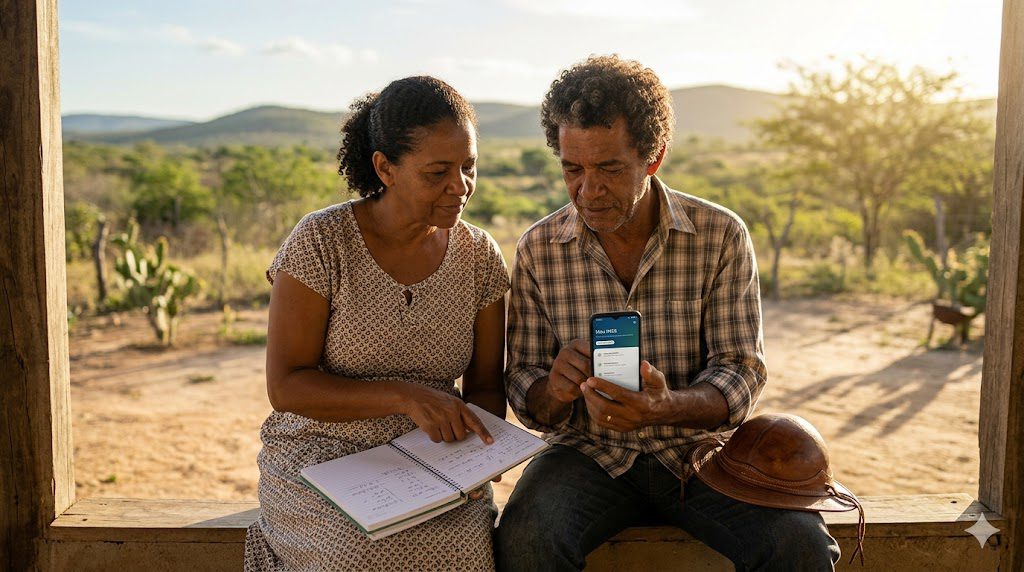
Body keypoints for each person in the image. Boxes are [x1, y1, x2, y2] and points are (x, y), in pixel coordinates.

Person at [496, 56, 841, 571]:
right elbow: (524, 383)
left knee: (800, 544)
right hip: (586, 454)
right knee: (524, 539)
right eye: (573, 169)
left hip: (701, 456)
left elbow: (741, 372)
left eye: (609, 168)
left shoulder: (720, 234)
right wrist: (556, 389)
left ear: (653, 157)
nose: (588, 190)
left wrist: (665, 406)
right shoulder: (538, 248)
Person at [244, 76, 509, 571]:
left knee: (464, 553)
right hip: (319, 457)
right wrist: (406, 396)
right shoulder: (321, 243)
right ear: (384, 167)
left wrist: (475, 462)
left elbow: (487, 387)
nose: (460, 186)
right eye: (437, 173)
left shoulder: (479, 256)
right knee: (357, 554)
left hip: (437, 463)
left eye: (469, 166)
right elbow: (286, 387)